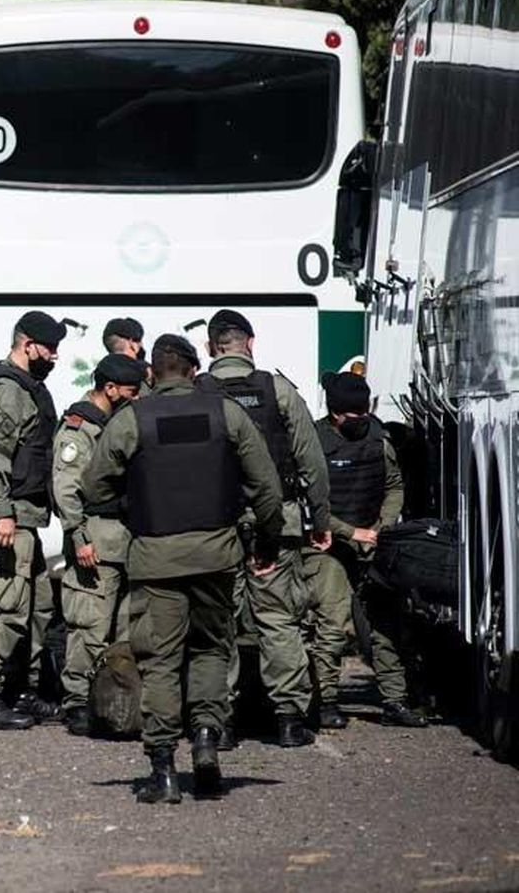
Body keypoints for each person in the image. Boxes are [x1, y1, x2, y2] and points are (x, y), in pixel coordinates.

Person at [82, 335, 283, 804]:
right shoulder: (226, 413)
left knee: (161, 661)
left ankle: (164, 769)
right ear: (195, 369)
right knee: (213, 650)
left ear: (151, 374)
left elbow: (93, 486)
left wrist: (132, 500)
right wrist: (267, 542)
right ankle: (208, 740)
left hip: (156, 558)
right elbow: (267, 487)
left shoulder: (133, 419)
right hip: (217, 554)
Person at [200, 309, 331, 748]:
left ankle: (219, 724)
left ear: (210, 347)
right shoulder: (279, 391)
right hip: (279, 524)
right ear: (249, 344)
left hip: (216, 527)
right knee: (279, 619)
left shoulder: (198, 393)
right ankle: (290, 718)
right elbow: (310, 459)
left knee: (219, 623)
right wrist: (321, 517)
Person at [304, 371, 427, 729]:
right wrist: (348, 531)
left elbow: (393, 487)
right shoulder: (314, 440)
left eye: (363, 412)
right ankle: (325, 701)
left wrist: (381, 526)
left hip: (372, 544)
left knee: (384, 624)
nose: (359, 421)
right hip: (328, 546)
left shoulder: (379, 439)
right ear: (334, 414)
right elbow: (311, 501)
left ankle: (394, 700)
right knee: (331, 626)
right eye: (351, 416)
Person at [0, 310, 67, 730]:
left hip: (27, 516)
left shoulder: (28, 388)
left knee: (37, 607)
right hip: (8, 518)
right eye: (50, 349)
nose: (55, 357)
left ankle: (19, 690)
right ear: (28, 346)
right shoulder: (8, 390)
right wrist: (1, 513)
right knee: (3, 607)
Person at [51, 352, 145, 736]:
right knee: (89, 625)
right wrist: (79, 536)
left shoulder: (114, 423)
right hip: (95, 539)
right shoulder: (79, 428)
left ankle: (113, 700)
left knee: (124, 627)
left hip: (123, 541)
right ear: (109, 389)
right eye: (131, 391)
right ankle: (76, 702)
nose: (137, 398)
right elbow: (66, 488)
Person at [103, 316, 152, 391]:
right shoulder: (145, 373)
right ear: (131, 342)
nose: (141, 345)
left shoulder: (101, 374)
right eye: (138, 340)